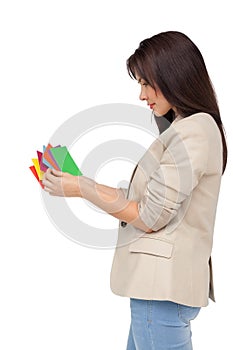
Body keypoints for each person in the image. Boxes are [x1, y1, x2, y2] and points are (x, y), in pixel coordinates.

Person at [42, 31, 227, 350]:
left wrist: (82, 187)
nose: (142, 96)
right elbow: (148, 203)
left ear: (173, 76)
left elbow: (150, 217)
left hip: (161, 292)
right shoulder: (188, 129)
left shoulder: (193, 131)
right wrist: (81, 183)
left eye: (145, 82)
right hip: (158, 292)